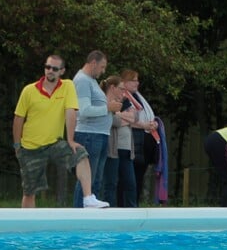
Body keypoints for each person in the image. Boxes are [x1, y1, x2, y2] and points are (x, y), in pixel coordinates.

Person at [13, 54, 109, 208]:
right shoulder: (29, 91)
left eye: (54, 68)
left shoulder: (68, 86)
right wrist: (17, 145)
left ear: (62, 71)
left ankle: (88, 198)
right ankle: (28, 225)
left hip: (54, 143)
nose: (50, 71)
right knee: (29, 191)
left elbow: (70, 112)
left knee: (81, 154)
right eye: (47, 67)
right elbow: (18, 119)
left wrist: (70, 140)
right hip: (31, 146)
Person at [72, 51, 122, 207]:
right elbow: (83, 111)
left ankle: (90, 212)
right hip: (89, 135)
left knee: (96, 179)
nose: (103, 71)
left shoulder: (91, 81)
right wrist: (107, 108)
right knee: (87, 178)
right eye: (102, 67)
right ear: (93, 63)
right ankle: (79, 212)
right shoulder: (82, 81)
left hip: (99, 135)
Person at [121, 69, 158, 206]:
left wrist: (152, 123)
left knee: (138, 178)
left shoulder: (137, 97)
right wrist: (144, 125)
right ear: (124, 82)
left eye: (137, 80)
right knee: (129, 179)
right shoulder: (123, 97)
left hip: (141, 144)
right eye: (133, 80)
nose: (137, 83)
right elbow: (125, 119)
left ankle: (133, 204)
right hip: (131, 143)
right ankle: (125, 206)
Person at [101, 75, 137, 207]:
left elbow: (133, 118)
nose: (124, 92)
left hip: (126, 149)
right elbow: (113, 122)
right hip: (112, 149)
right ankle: (109, 210)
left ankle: (132, 210)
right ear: (112, 88)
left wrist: (119, 115)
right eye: (121, 88)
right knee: (110, 183)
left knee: (130, 183)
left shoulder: (125, 102)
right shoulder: (105, 103)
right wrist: (120, 118)